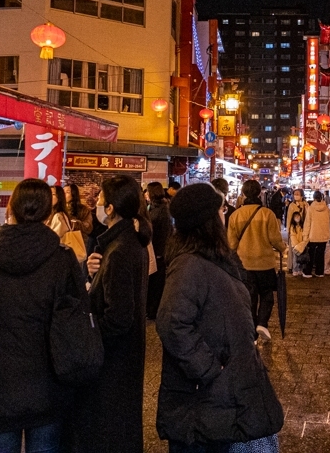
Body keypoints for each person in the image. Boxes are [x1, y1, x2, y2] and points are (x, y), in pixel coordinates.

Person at [0, 178, 89, 452]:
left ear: (9, 207)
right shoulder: (62, 259)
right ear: (49, 213)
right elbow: (78, 314)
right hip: (48, 384)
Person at [157, 184, 284, 452]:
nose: (224, 215)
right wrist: (210, 368)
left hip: (220, 394)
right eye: (221, 210)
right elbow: (172, 323)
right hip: (203, 395)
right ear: (209, 220)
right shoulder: (189, 264)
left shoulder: (215, 258)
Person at [75, 174, 152, 452]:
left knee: (109, 428)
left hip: (114, 359)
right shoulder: (130, 242)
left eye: (100, 199)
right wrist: (94, 272)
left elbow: (119, 316)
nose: (95, 203)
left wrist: (91, 339)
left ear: (110, 208)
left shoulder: (120, 250)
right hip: (126, 355)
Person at [227, 180, 286, 341]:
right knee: (267, 294)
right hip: (265, 263)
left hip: (244, 264)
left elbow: (231, 244)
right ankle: (262, 323)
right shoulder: (267, 214)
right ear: (260, 193)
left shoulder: (235, 215)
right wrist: (283, 248)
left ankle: (252, 332)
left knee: (249, 297)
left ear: (244, 194)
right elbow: (275, 240)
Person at [146, 181, 174, 320]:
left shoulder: (160, 210)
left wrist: (159, 252)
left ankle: (153, 310)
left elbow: (161, 233)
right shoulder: (159, 207)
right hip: (158, 250)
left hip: (158, 251)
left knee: (156, 284)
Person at [48, 185, 86, 261]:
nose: (49, 197)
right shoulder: (58, 214)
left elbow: (55, 236)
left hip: (59, 256)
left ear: (59, 197)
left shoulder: (58, 216)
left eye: (53, 194)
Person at [303, 191, 330, 277]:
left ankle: (308, 272)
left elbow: (308, 223)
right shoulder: (326, 208)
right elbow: (328, 220)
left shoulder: (311, 208)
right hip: (324, 235)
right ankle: (319, 272)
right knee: (321, 254)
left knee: (311, 253)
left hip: (313, 234)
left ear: (314, 198)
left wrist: (305, 235)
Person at [286, 189, 308, 276]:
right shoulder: (292, 205)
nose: (296, 195)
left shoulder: (306, 204)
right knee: (293, 249)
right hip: (293, 230)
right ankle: (292, 266)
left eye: (298, 194)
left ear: (302, 195)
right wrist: (288, 229)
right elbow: (288, 218)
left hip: (303, 229)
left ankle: (301, 267)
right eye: (295, 194)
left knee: (302, 249)